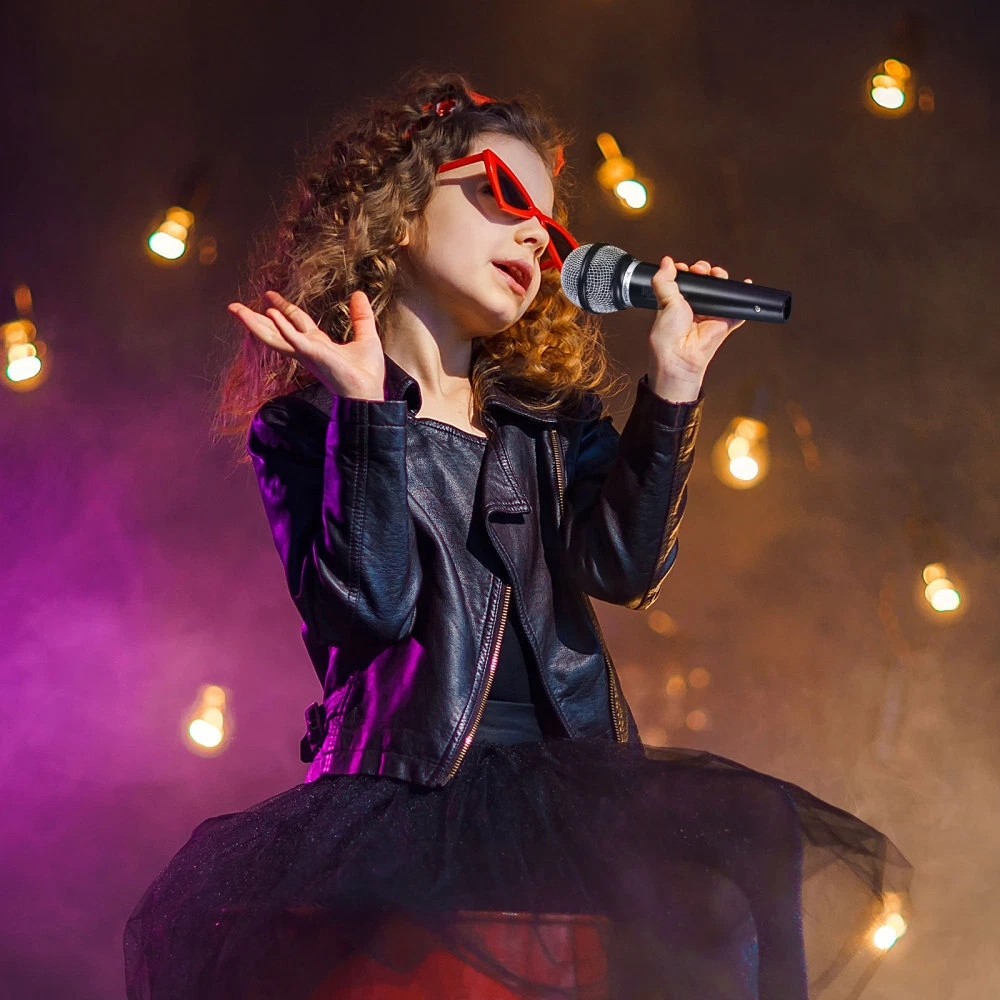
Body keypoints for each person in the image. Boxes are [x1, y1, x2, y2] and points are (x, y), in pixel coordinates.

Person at [123, 70, 912, 1000]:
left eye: (551, 226)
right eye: (504, 196)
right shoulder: (307, 423)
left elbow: (624, 569)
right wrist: (367, 416)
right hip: (409, 787)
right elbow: (368, 611)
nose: (537, 236)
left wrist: (673, 388)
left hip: (571, 778)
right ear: (399, 210)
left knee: (750, 831)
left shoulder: (550, 421)